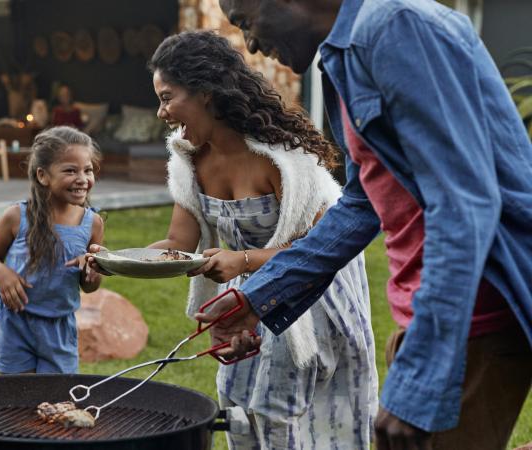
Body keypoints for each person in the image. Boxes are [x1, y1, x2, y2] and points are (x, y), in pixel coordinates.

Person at [203, 0, 532, 449]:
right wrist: (257, 297)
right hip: (432, 315)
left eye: (246, 21)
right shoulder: (344, 57)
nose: (252, 44)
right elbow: (363, 201)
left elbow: (463, 205)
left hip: (476, 315)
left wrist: (419, 380)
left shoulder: (395, 28)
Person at [90, 30, 378, 449]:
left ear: (205, 92)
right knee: (242, 411)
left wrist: (241, 261)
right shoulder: (189, 160)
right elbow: (177, 244)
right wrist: (110, 260)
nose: (161, 112)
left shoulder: (283, 159)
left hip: (310, 297)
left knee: (296, 418)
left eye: (167, 97)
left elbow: (318, 252)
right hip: (245, 294)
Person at [0, 126, 103, 374]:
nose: (82, 178)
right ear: (43, 175)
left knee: (56, 400)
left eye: (87, 170)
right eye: (71, 170)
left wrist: (93, 272)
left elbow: (89, 285)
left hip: (59, 328)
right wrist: (0, 272)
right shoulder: (17, 217)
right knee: (17, 399)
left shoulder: (92, 223)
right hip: (15, 323)